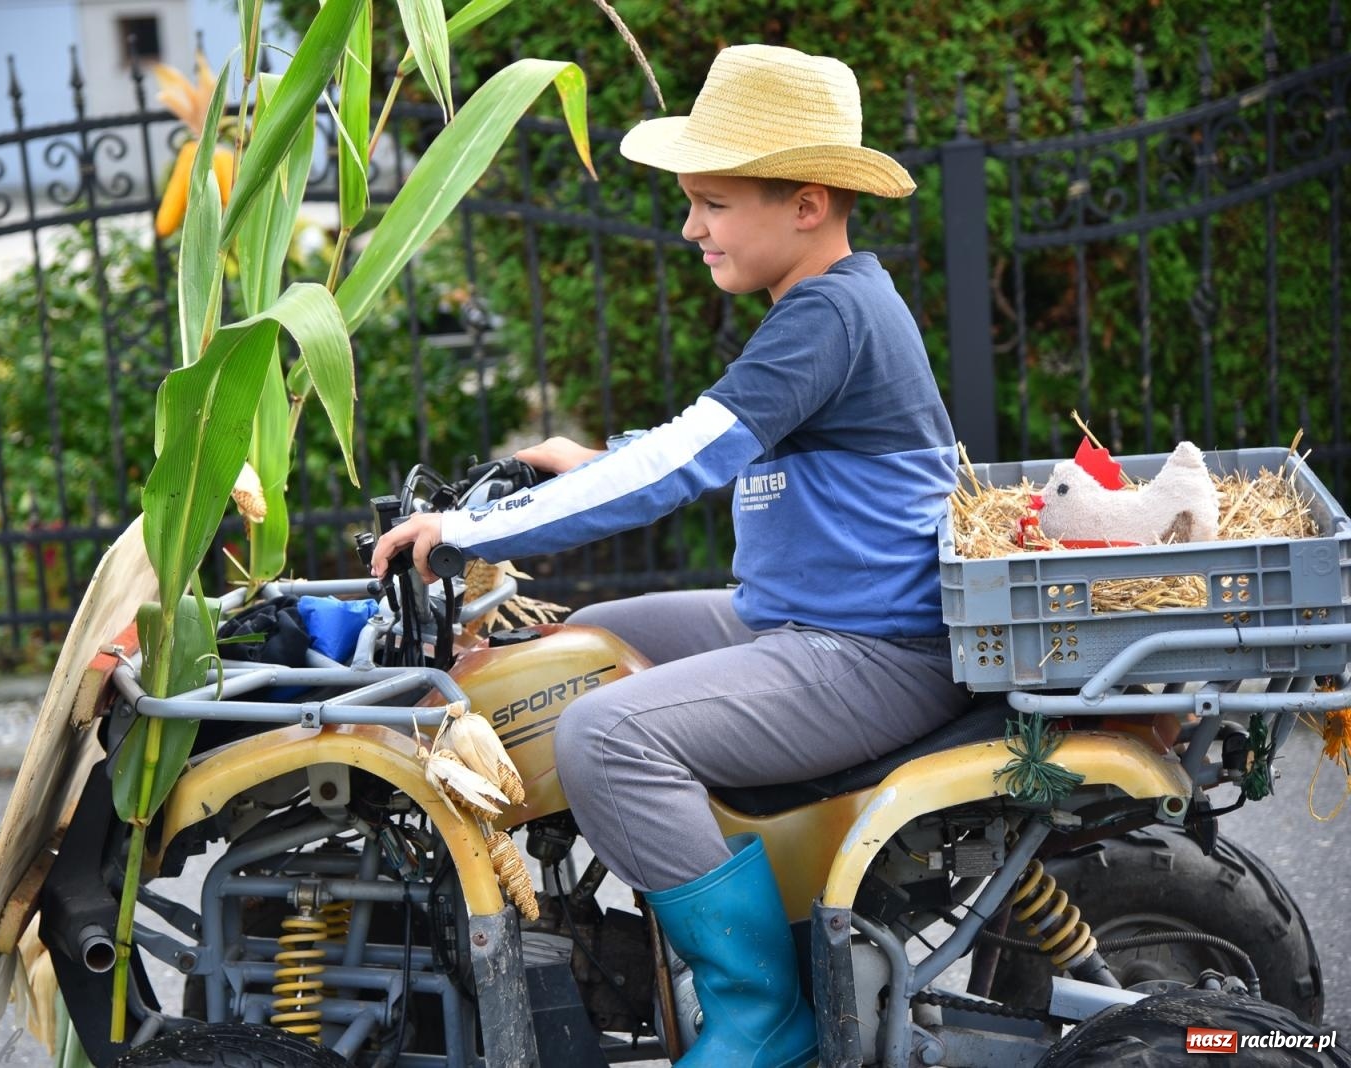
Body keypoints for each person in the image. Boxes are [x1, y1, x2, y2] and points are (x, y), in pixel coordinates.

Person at [373, 43, 969, 1068]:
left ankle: (760, 1014)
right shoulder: (826, 305)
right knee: (586, 644)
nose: (691, 227)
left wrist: (470, 535)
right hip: (804, 623)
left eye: (712, 203)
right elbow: (709, 442)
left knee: (604, 733)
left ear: (807, 204)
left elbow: (687, 459)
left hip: (875, 652)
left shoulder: (832, 313)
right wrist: (592, 460)